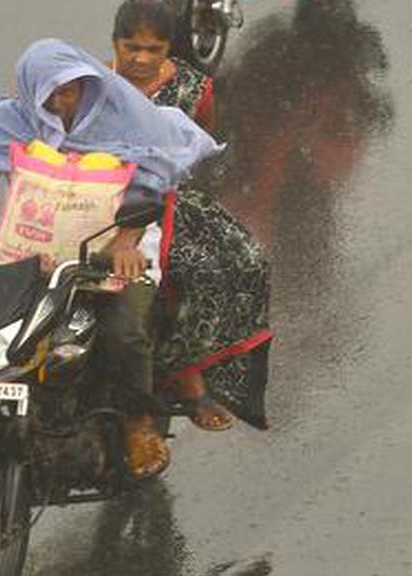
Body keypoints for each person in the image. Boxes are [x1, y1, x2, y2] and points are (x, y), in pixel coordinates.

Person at [0, 39, 222, 477]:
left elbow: (151, 191)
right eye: (48, 92)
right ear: (30, 90)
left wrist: (126, 243)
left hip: (117, 253)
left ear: (87, 83)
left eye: (70, 89)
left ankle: (138, 423)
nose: (60, 101)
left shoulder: (126, 119)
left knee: (123, 330)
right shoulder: (7, 122)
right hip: (33, 257)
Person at [110, 0, 273, 432]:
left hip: (162, 204)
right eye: (132, 48)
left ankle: (185, 382)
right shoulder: (89, 84)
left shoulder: (193, 88)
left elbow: (199, 150)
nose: (141, 59)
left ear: (169, 48)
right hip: (90, 203)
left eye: (153, 49)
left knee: (228, 267)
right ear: (114, 45)